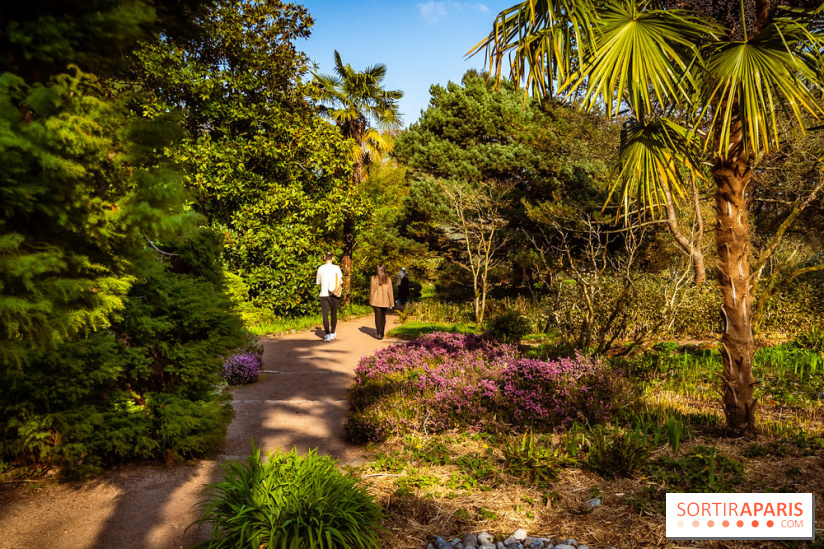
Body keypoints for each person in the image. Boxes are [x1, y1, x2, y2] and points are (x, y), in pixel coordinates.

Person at [316, 251, 343, 342]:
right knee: (333, 314)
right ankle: (333, 332)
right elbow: (341, 281)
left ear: (324, 257)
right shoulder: (337, 268)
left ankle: (327, 334)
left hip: (324, 294)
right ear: (332, 258)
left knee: (325, 315)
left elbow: (318, 283)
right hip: (334, 294)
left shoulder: (320, 268)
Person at [370, 265, 394, 340]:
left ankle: (379, 333)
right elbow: (390, 292)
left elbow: (372, 290)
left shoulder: (373, 279)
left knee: (378, 317)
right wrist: (391, 302)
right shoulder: (388, 280)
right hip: (385, 301)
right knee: (383, 317)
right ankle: (382, 332)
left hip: (375, 300)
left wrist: (371, 300)